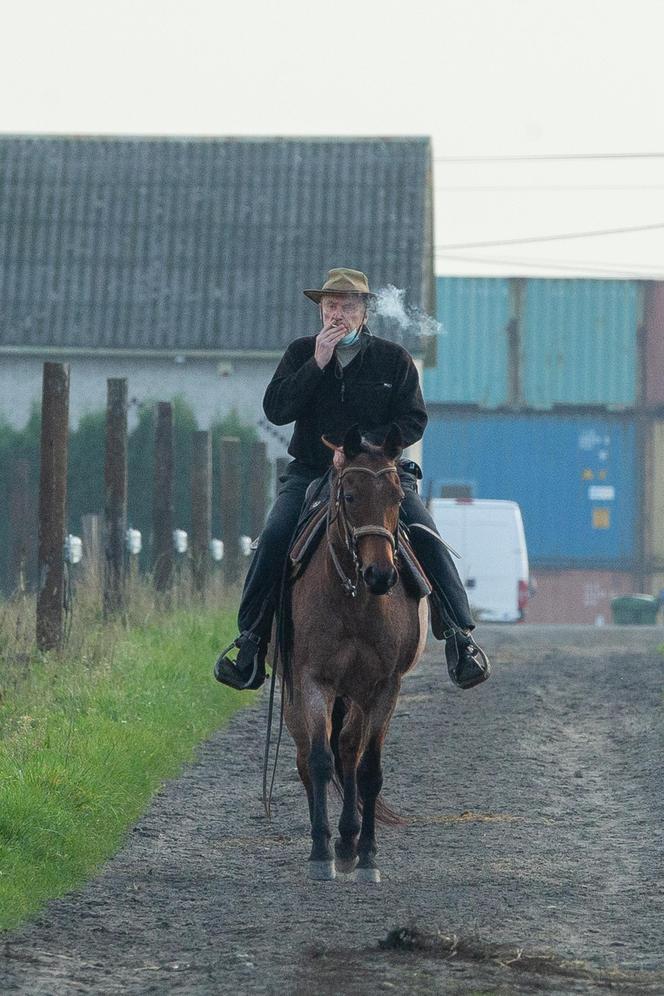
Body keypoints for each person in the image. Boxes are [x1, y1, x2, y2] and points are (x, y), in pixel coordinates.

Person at [214, 268, 490, 691]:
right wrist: (316, 364)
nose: (336, 314)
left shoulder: (393, 359)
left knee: (425, 533)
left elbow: (414, 420)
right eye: (329, 306)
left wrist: (363, 447)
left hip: (379, 474)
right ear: (320, 310)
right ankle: (250, 643)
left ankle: (459, 637)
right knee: (274, 536)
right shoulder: (300, 353)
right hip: (311, 473)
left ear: (364, 312)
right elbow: (276, 410)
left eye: (345, 306)